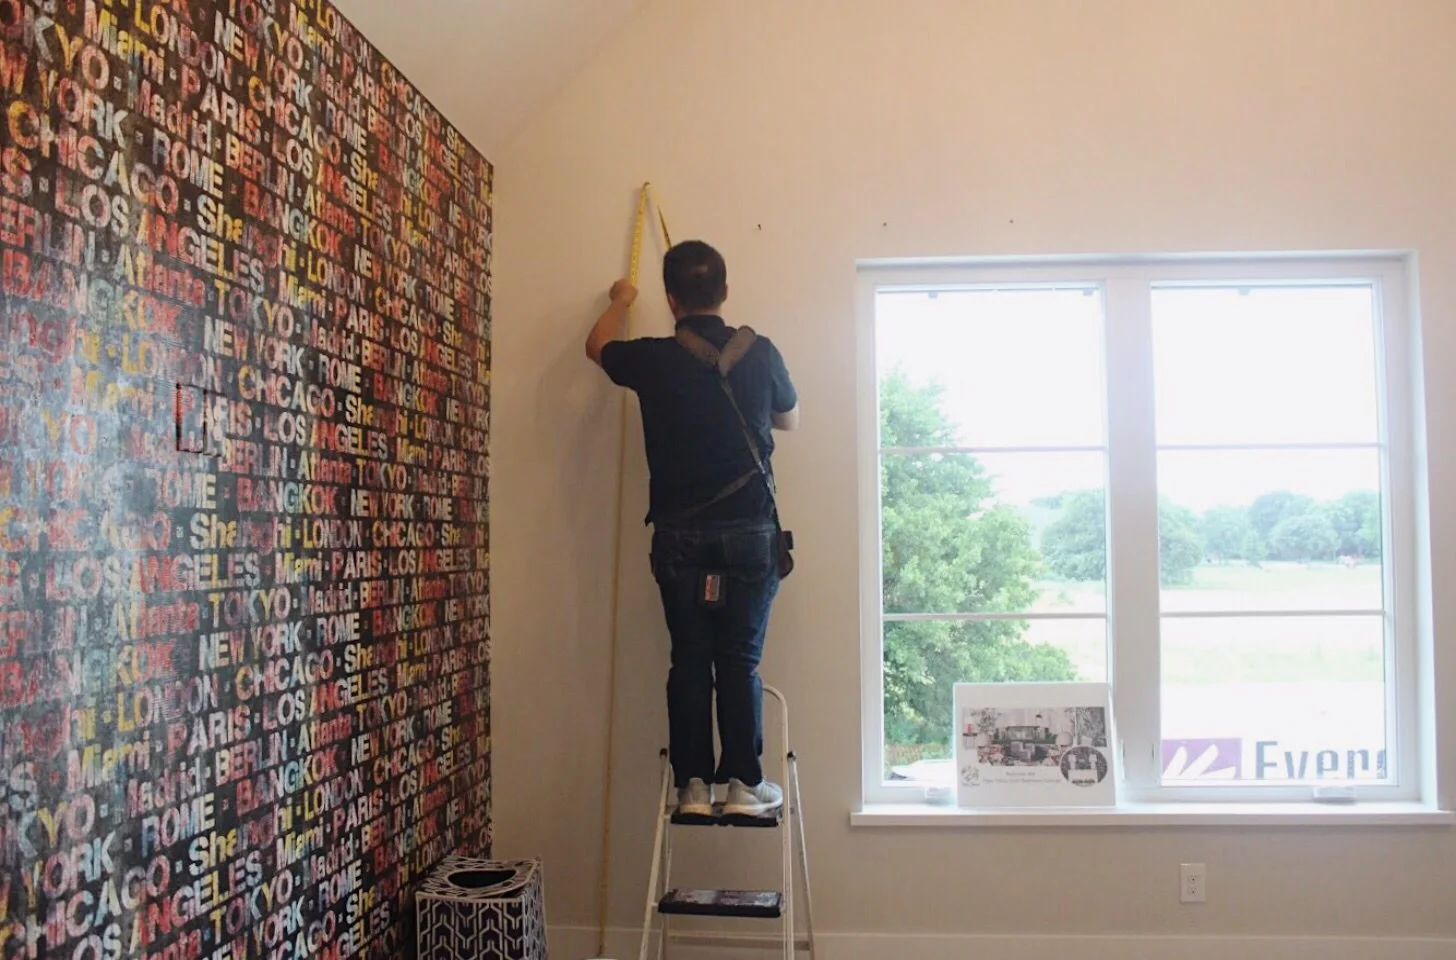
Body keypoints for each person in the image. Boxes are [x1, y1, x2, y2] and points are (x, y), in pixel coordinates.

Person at [586, 240, 799, 817]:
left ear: (670, 299)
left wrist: (620, 299)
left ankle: (694, 789)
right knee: (739, 661)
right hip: (750, 534)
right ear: (725, 292)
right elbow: (789, 418)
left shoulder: (654, 358)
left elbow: (596, 346)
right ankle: (745, 785)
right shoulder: (761, 351)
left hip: (679, 537)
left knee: (689, 661)